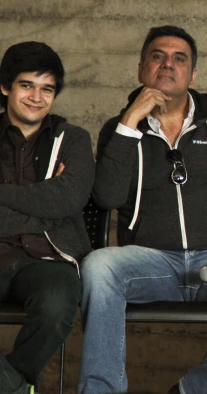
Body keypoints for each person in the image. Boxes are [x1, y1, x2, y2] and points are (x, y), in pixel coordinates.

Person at [78, 26, 207, 394]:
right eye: (158, 56)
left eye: (180, 59)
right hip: (151, 262)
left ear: (193, 75)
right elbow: (107, 197)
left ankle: (194, 391)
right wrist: (129, 125)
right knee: (97, 267)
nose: (168, 65)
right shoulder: (119, 128)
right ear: (141, 68)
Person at [0, 42, 94, 394]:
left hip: (47, 258)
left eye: (47, 88)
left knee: (57, 304)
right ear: (6, 86)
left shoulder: (72, 139)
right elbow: (53, 205)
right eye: (27, 85)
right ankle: (16, 388)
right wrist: (43, 203)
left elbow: (67, 200)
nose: (37, 97)